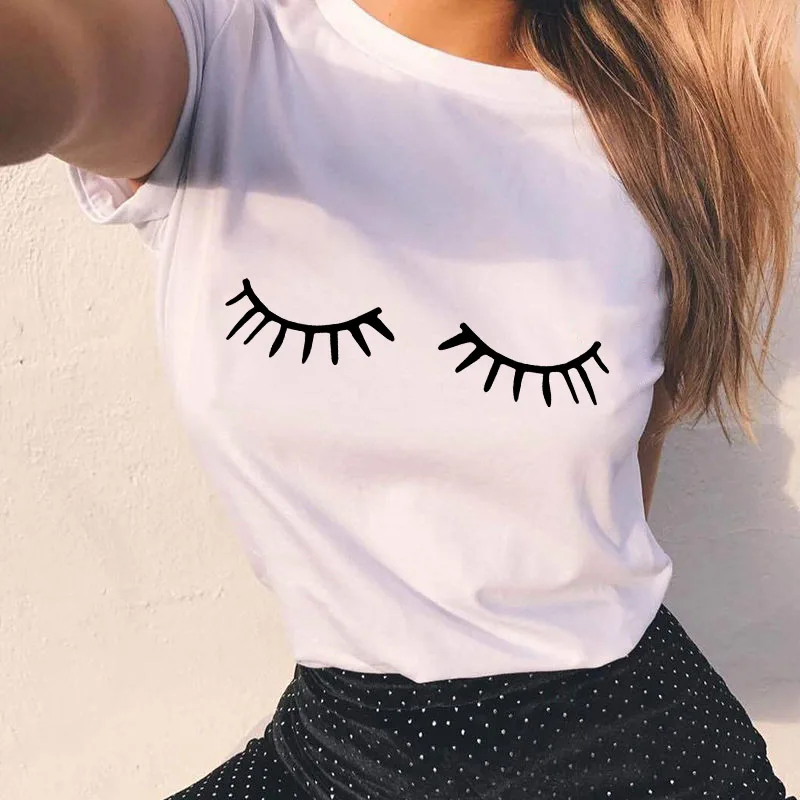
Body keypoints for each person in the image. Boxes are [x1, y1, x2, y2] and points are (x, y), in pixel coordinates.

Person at [2, 0, 798, 797]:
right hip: (345, 748)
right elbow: (55, 57)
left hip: (642, 751)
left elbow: (612, 491)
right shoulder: (221, 50)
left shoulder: (653, 113)